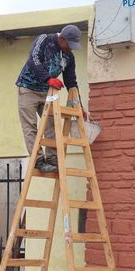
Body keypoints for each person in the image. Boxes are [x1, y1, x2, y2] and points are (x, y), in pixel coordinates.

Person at [16, 24, 82, 173]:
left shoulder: (69, 56)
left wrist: (79, 106)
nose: (70, 48)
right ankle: (38, 160)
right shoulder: (44, 40)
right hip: (27, 89)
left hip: (48, 93)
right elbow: (34, 59)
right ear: (62, 38)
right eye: (69, 45)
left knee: (52, 125)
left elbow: (71, 82)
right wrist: (47, 79)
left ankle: (52, 159)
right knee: (30, 126)